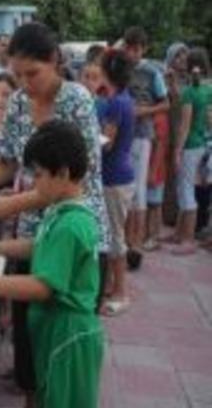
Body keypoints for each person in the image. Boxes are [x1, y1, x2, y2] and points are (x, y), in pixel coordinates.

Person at [0, 22, 108, 404]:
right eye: (17, 74)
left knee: (59, 343)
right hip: (39, 234)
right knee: (32, 345)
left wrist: (10, 204)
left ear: (54, 61)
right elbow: (9, 161)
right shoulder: (18, 102)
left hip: (70, 229)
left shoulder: (78, 101)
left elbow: (75, 177)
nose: (24, 83)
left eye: (32, 73)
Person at [0, 120, 104, 408]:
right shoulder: (61, 210)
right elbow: (40, 248)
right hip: (56, 331)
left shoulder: (71, 224)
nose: (32, 184)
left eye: (38, 174)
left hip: (68, 336)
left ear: (62, 173)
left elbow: (41, 287)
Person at [122, 27, 169, 262]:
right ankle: (126, 241)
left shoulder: (152, 73)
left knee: (139, 190)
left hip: (142, 134)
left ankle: (136, 243)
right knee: (126, 189)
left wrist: (144, 111)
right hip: (122, 135)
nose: (132, 53)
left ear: (144, 49)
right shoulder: (120, 69)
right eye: (128, 48)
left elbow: (166, 104)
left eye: (136, 49)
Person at [97, 49, 135, 316]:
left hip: (115, 179)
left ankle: (121, 293)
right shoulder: (122, 99)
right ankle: (112, 286)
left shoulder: (116, 103)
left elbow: (107, 143)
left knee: (115, 239)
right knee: (112, 235)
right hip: (119, 177)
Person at [167, 48, 212, 255]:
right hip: (203, 143)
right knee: (186, 188)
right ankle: (179, 234)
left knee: (185, 191)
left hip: (190, 146)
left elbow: (184, 126)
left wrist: (177, 150)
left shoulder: (190, 92)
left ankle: (187, 239)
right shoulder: (208, 89)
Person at [150, 42, 189, 247]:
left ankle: (175, 218)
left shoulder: (190, 80)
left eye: (184, 56)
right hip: (165, 128)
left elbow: (185, 103)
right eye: (178, 56)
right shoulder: (161, 76)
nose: (182, 60)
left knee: (178, 174)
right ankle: (166, 215)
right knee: (164, 173)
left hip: (181, 129)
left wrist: (175, 85)